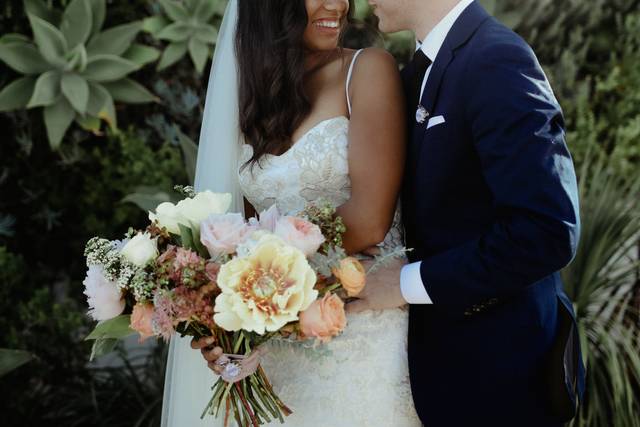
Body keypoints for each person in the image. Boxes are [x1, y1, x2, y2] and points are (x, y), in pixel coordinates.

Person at [162, 0, 422, 425]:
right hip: (277, 345)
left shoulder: (367, 70)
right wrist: (222, 319)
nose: (336, 4)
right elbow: (240, 233)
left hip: (359, 334)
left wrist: (252, 280)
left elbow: (371, 218)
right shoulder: (249, 99)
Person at [347, 0, 586, 426]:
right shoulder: (418, 71)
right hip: (444, 379)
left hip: (501, 382)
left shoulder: (496, 59)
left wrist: (405, 283)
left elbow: (546, 230)